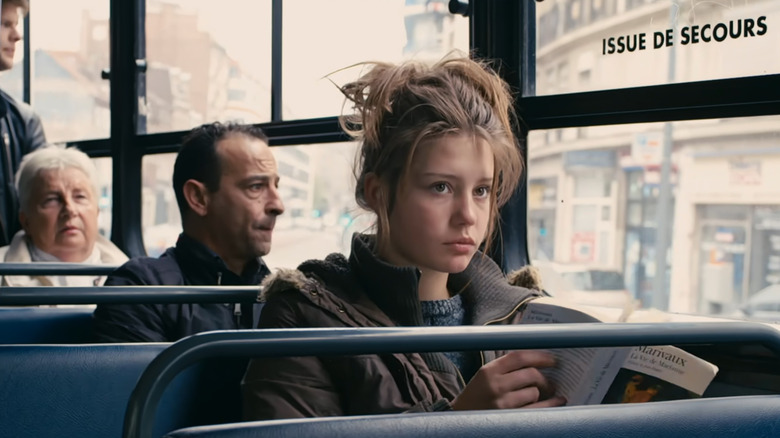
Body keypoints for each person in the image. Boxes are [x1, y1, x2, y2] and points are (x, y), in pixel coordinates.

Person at [242, 55, 566, 420]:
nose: (468, 216)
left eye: (481, 191)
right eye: (441, 187)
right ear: (378, 193)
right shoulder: (304, 317)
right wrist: (458, 421)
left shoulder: (523, 315)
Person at [92, 122, 285, 342]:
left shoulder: (281, 295)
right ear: (198, 198)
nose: (278, 205)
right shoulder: (141, 290)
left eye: (275, 186)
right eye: (256, 187)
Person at [0, 146, 127, 286]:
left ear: (97, 212)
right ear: (26, 221)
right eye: (52, 200)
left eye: (80, 197)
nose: (70, 210)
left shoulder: (132, 275)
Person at [0, 0, 47, 247]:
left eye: (16, 25)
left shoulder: (23, 121)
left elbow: (46, 197)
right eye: (5, 24)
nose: (17, 35)